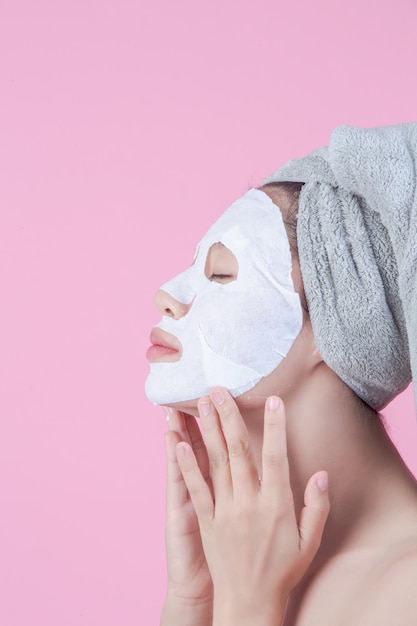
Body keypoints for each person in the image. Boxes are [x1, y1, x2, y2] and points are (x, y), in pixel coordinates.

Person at [146, 123, 417, 625]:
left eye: (222, 275)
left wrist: (246, 610)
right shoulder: (237, 567)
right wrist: (192, 603)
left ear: (339, 320)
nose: (168, 294)